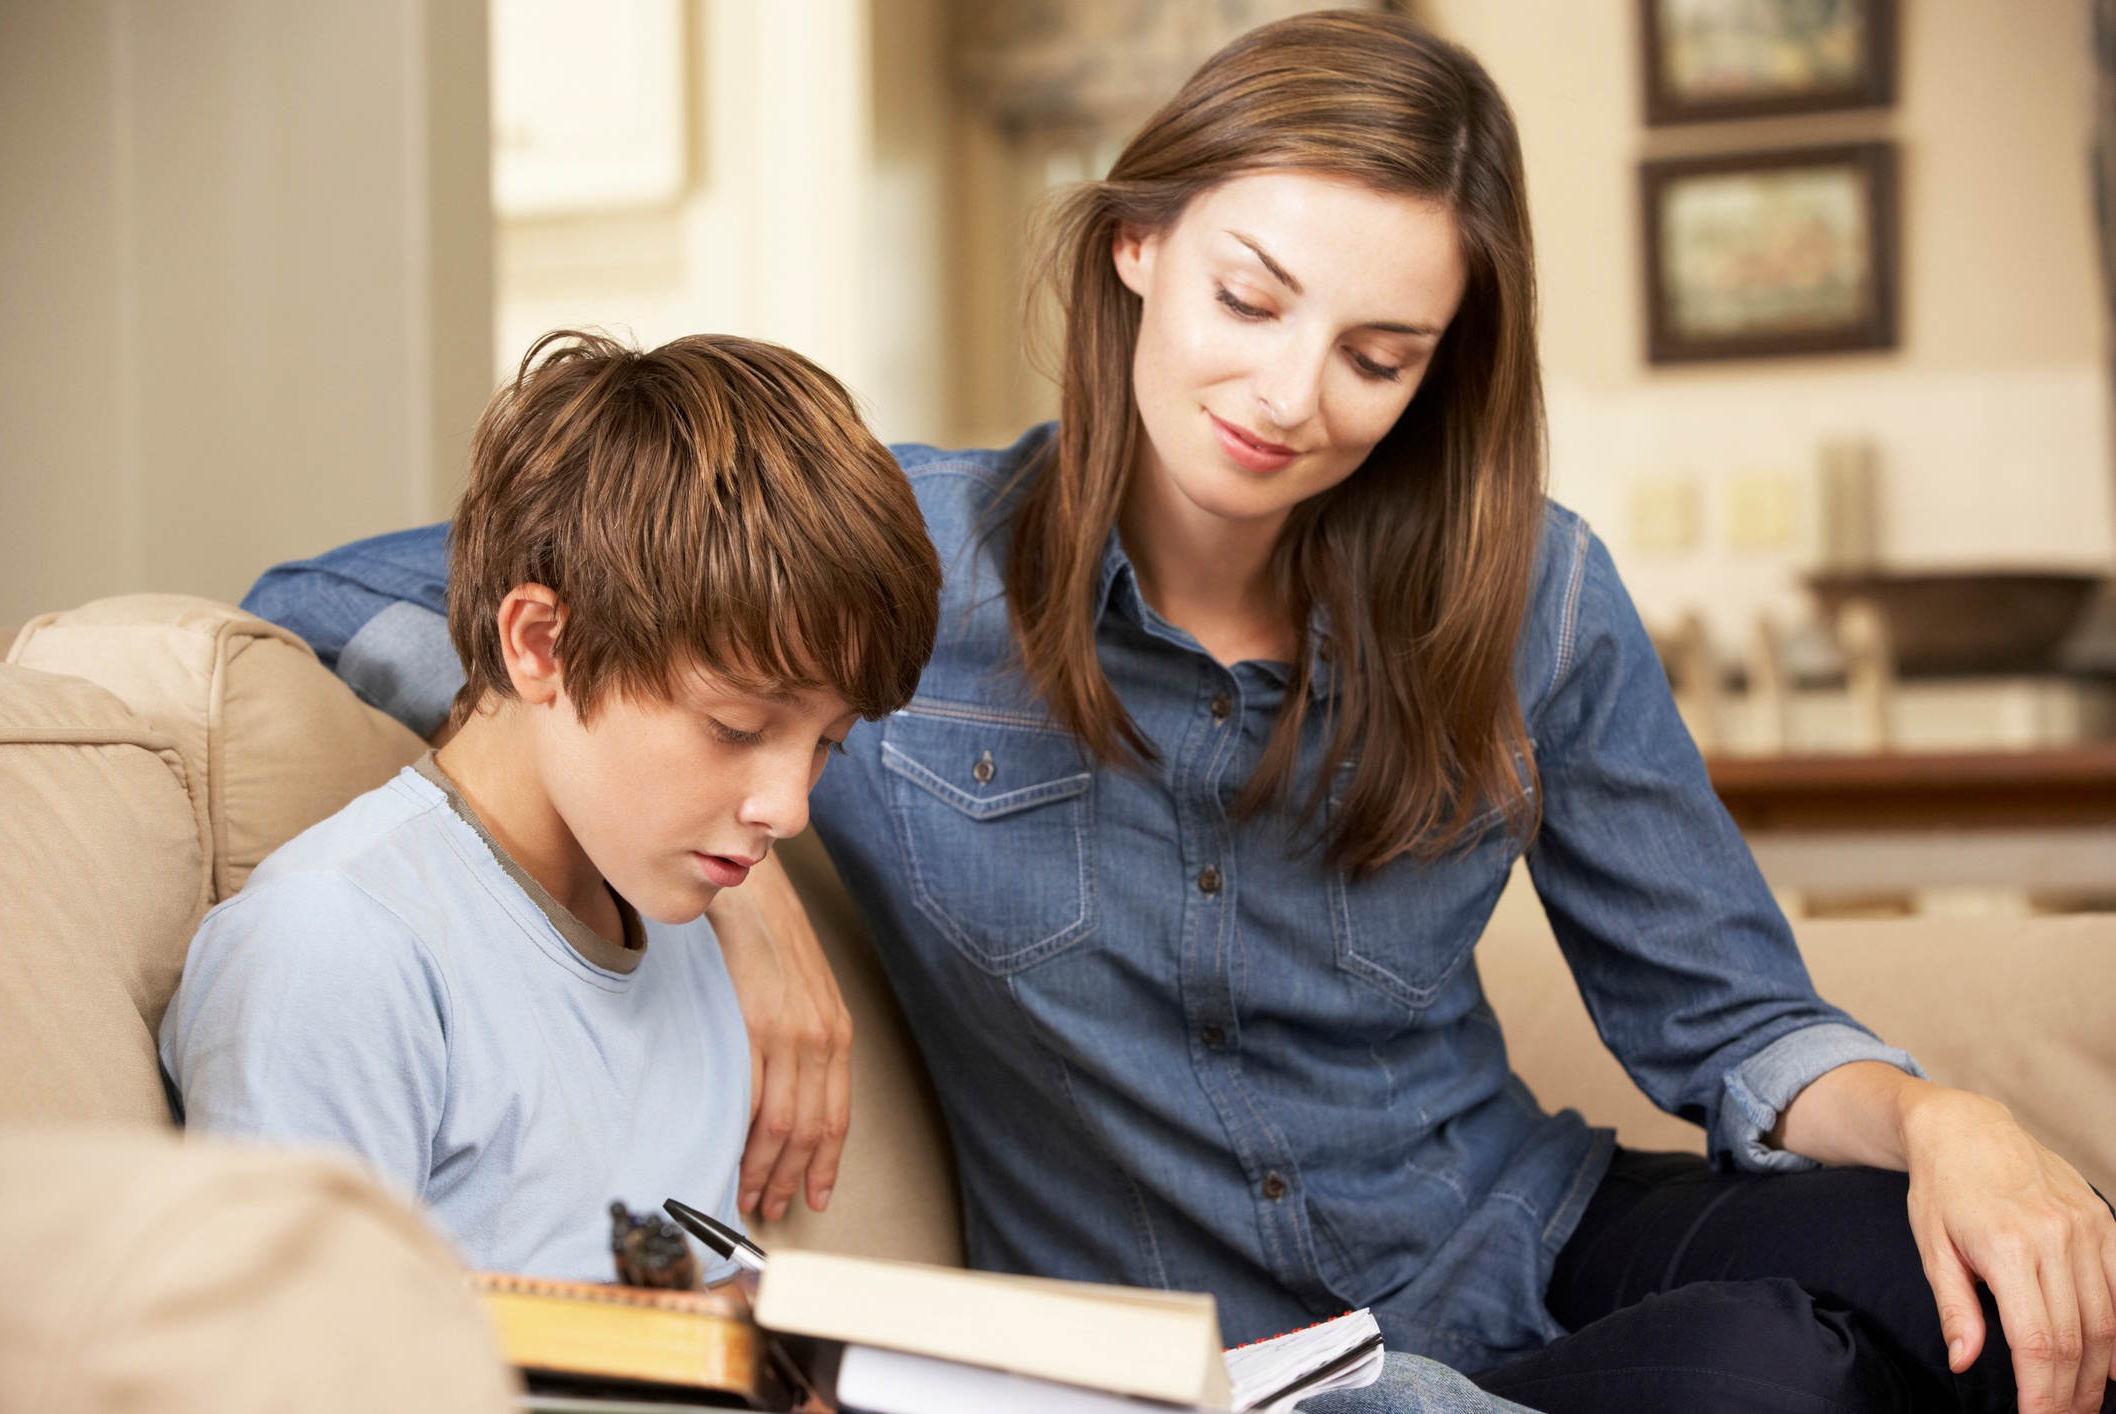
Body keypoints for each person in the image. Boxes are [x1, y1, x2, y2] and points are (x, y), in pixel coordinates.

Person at [239, 13, 2116, 1414]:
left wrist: (1949, 1117)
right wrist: (743, 893)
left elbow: (1732, 1017)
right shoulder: (902, 569)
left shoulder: (1528, 587)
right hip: (1221, 1353)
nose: (1292, 395)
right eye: (1249, 296)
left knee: (1991, 1291)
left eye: (1380, 355)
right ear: (1136, 241)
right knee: (1764, 1380)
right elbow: (338, 600)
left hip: (1532, 1236)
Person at [161, 332, 941, 1282]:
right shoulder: (337, 947)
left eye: (827, 745)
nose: (788, 809)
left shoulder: (678, 918)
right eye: (737, 727)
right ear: (540, 644)